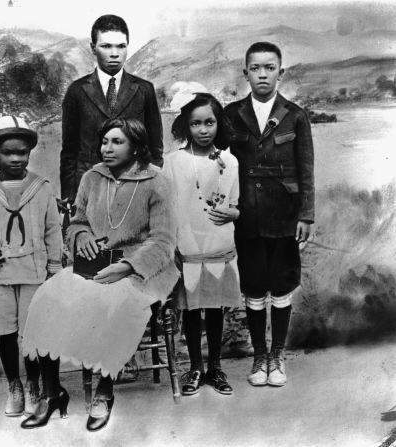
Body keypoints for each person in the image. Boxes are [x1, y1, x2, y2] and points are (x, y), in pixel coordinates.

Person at [20, 118, 178, 431]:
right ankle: (52, 394)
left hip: (143, 269)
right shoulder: (92, 177)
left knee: (113, 303)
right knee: (48, 296)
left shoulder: (156, 181)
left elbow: (163, 240)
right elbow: (77, 222)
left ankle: (104, 393)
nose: (107, 148)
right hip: (98, 262)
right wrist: (82, 237)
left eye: (117, 142)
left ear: (136, 147)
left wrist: (129, 266)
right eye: (104, 141)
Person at [225, 42, 314, 387]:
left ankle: (277, 356)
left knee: (281, 286)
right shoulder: (231, 115)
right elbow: (220, 163)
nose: (262, 74)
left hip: (284, 216)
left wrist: (306, 215)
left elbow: (306, 170)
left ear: (281, 72)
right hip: (245, 216)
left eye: (269, 67)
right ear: (245, 72)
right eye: (255, 68)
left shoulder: (295, 115)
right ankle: (258, 356)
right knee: (253, 287)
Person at [0, 116, 62, 417]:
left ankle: (34, 382)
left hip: (34, 272)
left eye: (21, 152)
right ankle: (15, 384)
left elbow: (53, 229)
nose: (15, 158)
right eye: (8, 152)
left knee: (32, 332)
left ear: (29, 153)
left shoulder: (41, 188)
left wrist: (54, 266)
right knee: (6, 333)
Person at [163, 91, 240, 396]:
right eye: (196, 124)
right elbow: (168, 206)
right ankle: (195, 366)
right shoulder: (173, 162)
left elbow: (235, 204)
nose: (204, 130)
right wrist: (174, 246)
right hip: (188, 243)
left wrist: (233, 211)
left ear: (219, 123)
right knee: (193, 308)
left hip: (219, 240)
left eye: (210, 122)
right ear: (186, 125)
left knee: (216, 307)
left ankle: (215, 367)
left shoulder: (229, 160)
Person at [60, 14, 164, 205]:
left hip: (134, 189)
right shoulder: (77, 91)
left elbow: (155, 149)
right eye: (106, 46)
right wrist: (70, 197)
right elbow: (69, 152)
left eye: (121, 46)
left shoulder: (144, 90)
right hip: (89, 189)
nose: (114, 53)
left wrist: (150, 189)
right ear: (93, 48)